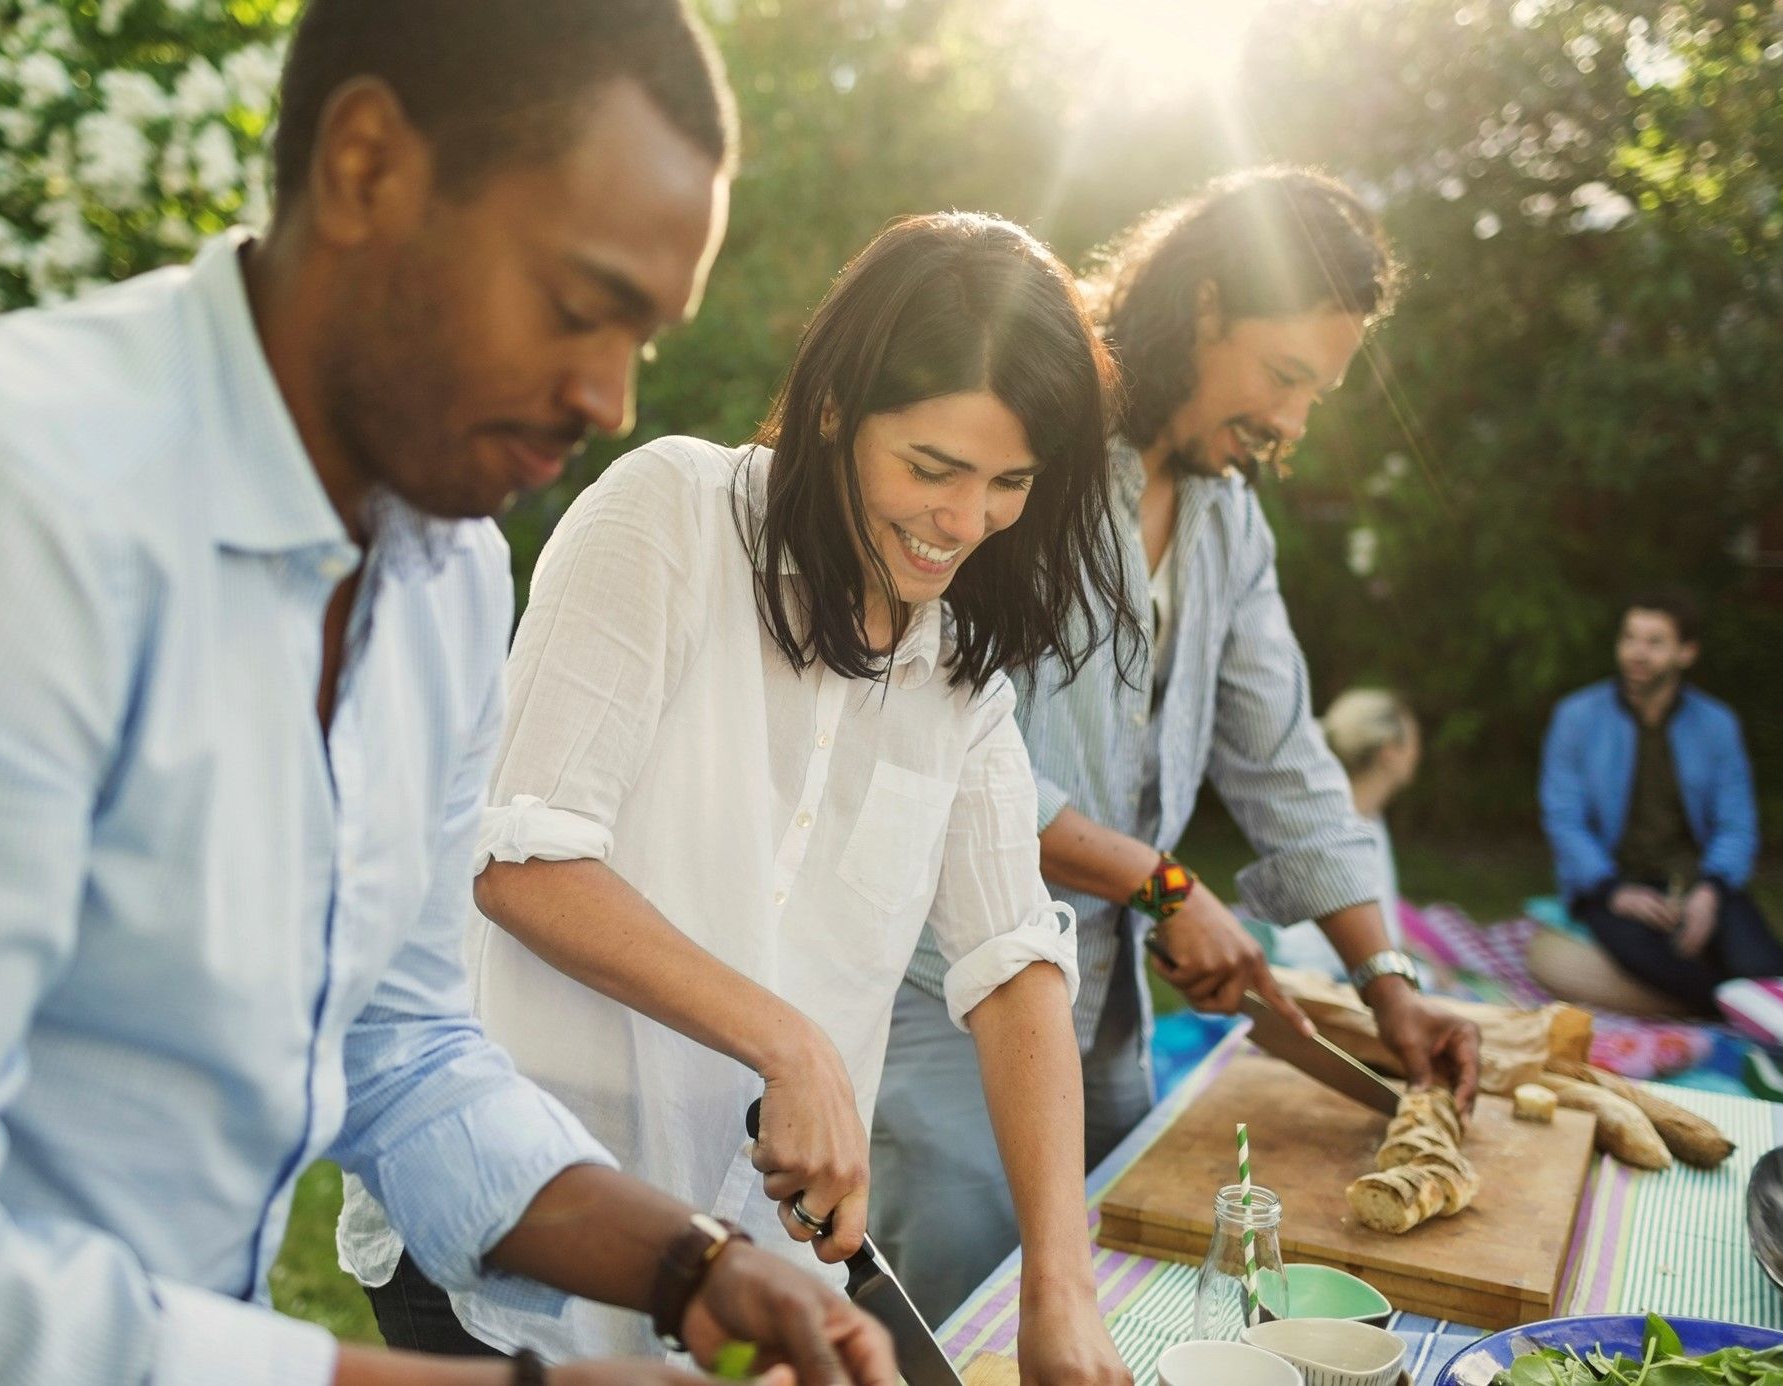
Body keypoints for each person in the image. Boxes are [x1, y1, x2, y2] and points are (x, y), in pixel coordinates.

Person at [0, 4, 899, 1384]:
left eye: (641, 336)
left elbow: (399, 1049)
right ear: (363, 168)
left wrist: (691, 1264)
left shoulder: (448, 573)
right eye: (580, 309)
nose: (610, 397)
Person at [340, 212, 1144, 1385]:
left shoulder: (960, 672)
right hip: (514, 1218)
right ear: (834, 411)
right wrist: (790, 1042)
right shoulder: (668, 515)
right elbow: (521, 859)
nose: (967, 522)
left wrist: (1057, 1288)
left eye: (1010, 483)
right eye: (933, 469)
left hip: (743, 1267)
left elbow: (1014, 964)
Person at [869, 168, 1484, 1322]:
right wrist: (1160, 882)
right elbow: (935, 744)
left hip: (1102, 1011)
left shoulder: (1227, 519)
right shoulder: (1025, 451)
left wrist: (1387, 979)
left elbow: (1283, 757)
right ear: (1204, 307)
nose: (1293, 423)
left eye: (1317, 394)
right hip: (938, 994)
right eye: (1284, 376)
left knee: (1107, 1309)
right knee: (956, 1332)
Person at [1539, 588, 1783, 1013]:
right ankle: (1729, 1007)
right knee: (1663, 967)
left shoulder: (1716, 724)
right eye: (1629, 638)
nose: (1637, 653)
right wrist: (1612, 890)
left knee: (1765, 967)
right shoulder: (1577, 717)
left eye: (1654, 642)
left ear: (1686, 653)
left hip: (1700, 882)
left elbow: (1737, 825)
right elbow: (1564, 818)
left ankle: (1754, 1001)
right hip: (1615, 885)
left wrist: (1709, 893)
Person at [1263, 689, 1422, 979]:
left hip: (1351, 964)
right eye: (1412, 742)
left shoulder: (1368, 815)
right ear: (1389, 752)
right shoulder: (1342, 826)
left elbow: (1379, 910)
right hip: (1324, 974)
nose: (1417, 753)